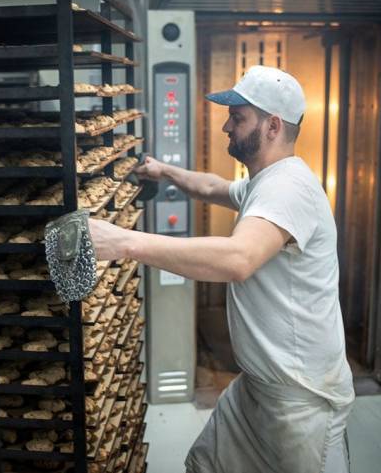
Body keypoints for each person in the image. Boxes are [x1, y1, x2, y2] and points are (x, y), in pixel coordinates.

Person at [88, 65, 355, 473]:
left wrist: (123, 242)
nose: (226, 126)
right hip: (258, 387)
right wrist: (166, 171)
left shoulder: (289, 188)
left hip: (300, 401)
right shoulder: (265, 183)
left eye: (238, 116)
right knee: (206, 464)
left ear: (272, 125)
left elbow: (238, 259)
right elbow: (213, 187)